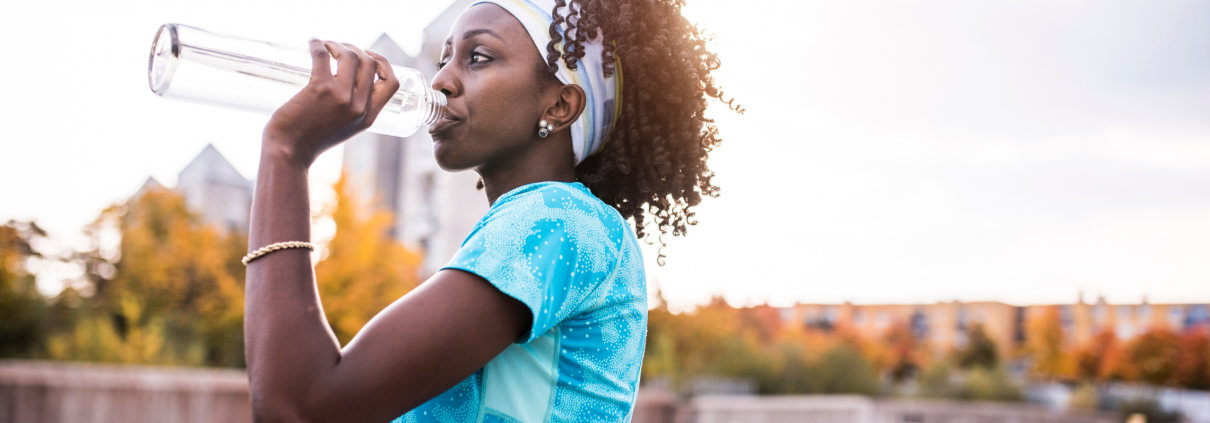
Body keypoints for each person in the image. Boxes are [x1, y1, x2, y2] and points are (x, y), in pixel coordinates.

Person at [242, 0, 736, 421]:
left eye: (477, 57)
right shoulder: (574, 227)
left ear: (560, 106)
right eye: (444, 59)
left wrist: (286, 153)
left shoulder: (556, 220)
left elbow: (300, 406)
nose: (441, 81)